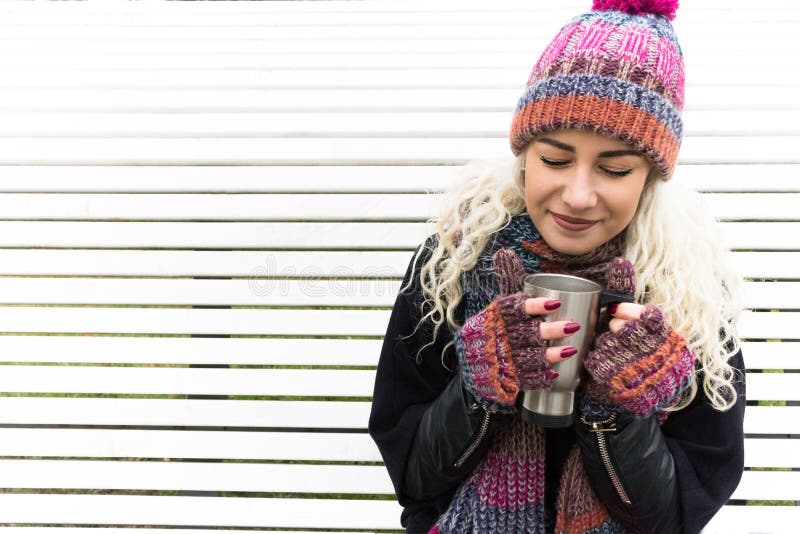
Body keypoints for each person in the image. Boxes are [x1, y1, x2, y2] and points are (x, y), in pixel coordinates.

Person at [368, 1, 747, 533]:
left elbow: (676, 517)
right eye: (555, 159)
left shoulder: (690, 291)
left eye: (615, 168)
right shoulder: (455, 259)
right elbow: (413, 477)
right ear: (524, 153)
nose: (578, 195)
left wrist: (615, 411)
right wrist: (481, 384)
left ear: (651, 178)